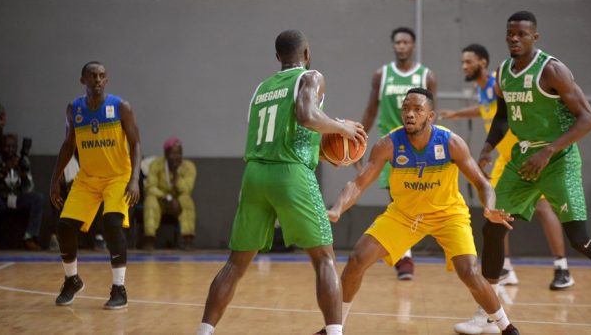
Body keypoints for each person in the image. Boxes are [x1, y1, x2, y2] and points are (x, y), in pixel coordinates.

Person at [456, 11, 591, 335]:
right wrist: (486, 148)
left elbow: (588, 118)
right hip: (523, 158)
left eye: (522, 34)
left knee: (579, 239)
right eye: (510, 33)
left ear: (535, 37)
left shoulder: (552, 69)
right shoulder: (503, 72)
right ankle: (488, 313)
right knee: (493, 227)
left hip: (558, 159)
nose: (515, 38)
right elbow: (502, 116)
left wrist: (549, 151)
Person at [197, 30, 367, 335]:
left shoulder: (261, 89)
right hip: (290, 175)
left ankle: (204, 331)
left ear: (277, 56)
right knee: (324, 258)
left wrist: (321, 151)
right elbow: (306, 115)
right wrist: (342, 129)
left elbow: (281, 135)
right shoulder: (311, 76)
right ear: (307, 53)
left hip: (254, 175)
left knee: (235, 264)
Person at [314, 88, 519, 335]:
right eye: (406, 108)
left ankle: (506, 327)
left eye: (417, 109)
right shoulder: (388, 144)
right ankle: (334, 329)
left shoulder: (451, 142)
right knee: (358, 258)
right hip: (405, 215)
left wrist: (489, 206)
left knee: (470, 271)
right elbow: (359, 183)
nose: (410, 114)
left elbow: (482, 183)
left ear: (430, 116)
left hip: (448, 214)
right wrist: (337, 208)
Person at [439, 43, 574, 290]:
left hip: (526, 153)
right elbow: (486, 111)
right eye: (462, 62)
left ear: (482, 62)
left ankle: (562, 268)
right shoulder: (483, 89)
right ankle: (506, 268)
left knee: (543, 207)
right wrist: (456, 114)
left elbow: (508, 113)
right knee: (497, 210)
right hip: (505, 157)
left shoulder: (497, 82)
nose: (464, 66)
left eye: (468, 61)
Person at [49, 61, 142, 310]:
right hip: (88, 178)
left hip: (117, 176)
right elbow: (68, 145)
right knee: (64, 226)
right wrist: (54, 180)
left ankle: (119, 288)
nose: (98, 80)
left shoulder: (121, 107)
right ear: (83, 80)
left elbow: (135, 143)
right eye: (92, 76)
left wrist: (134, 179)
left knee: (112, 224)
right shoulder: (74, 109)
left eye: (102, 76)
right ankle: (72, 280)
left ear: (106, 80)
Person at [358, 26, 437, 280]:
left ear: (413, 46)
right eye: (398, 42)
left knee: (415, 201)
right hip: (391, 146)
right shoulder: (382, 75)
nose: (402, 46)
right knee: (397, 200)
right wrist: (358, 140)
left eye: (406, 42)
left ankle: (404, 251)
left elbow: (432, 116)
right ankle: (405, 258)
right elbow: (371, 111)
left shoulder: (426, 76)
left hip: (419, 146)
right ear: (393, 46)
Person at [143, 137, 197, 251]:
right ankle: (149, 239)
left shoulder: (188, 167)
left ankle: (188, 239)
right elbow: (150, 187)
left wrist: (177, 177)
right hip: (161, 200)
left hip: (178, 203)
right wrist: (167, 198)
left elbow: (187, 189)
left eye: (179, 153)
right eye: (172, 154)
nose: (176, 157)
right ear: (166, 154)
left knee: (186, 199)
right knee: (150, 199)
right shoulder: (156, 165)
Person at [0, 133, 43, 251]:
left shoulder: (23, 160)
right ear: (1, 147)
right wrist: (4, 170)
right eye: (7, 146)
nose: (10, 150)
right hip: (1, 198)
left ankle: (29, 238)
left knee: (38, 198)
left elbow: (30, 187)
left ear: (17, 147)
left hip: (18, 198)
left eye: (13, 147)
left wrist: (23, 175)